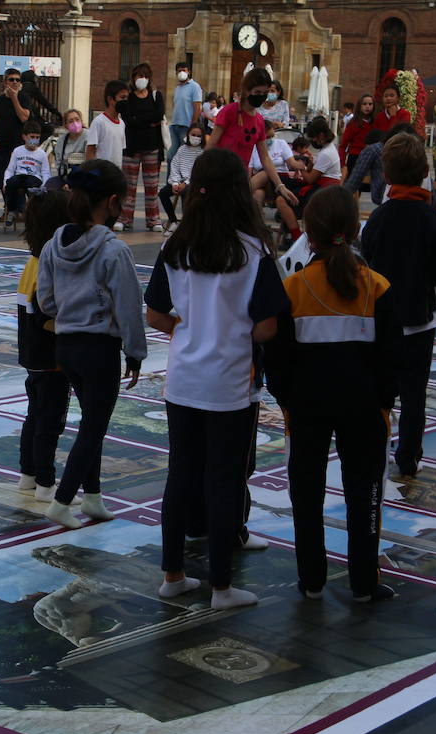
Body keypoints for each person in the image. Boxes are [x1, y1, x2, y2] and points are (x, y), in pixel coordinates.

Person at [146, 147, 286, 609]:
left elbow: (154, 313)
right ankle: (222, 586)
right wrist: (235, 331)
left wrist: (188, 330)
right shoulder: (253, 251)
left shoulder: (175, 245)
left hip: (183, 379)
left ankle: (173, 575)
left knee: (180, 477)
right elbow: (268, 325)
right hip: (230, 384)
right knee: (224, 482)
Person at [267, 186, 399, 603]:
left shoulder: (294, 288)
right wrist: (383, 400)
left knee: (306, 494)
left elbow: (277, 360)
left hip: (306, 410)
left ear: (308, 232)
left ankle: (311, 580)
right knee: (366, 495)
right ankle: (363, 582)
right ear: (356, 229)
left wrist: (288, 401)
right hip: (364, 409)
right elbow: (394, 358)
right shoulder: (377, 287)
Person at [36, 160, 146, 529]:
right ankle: (63, 501)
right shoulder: (113, 251)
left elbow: (45, 301)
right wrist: (135, 350)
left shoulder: (54, 243)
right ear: (113, 202)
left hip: (66, 345)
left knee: (89, 422)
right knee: (95, 426)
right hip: (100, 349)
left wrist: (71, 307)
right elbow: (130, 306)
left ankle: (94, 496)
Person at [361, 131, 436, 478]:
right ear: (425, 171)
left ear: (386, 175)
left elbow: (366, 263)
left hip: (380, 321)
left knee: (379, 391)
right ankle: (409, 455)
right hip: (419, 319)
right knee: (415, 395)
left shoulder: (378, 219)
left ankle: (373, 447)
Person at [16, 187, 73, 503]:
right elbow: (44, 313)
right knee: (50, 421)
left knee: (34, 415)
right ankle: (46, 483)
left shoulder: (33, 261)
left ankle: (28, 475)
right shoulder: (51, 264)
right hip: (50, 356)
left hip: (31, 354)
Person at [207, 67, 298, 212]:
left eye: (264, 93)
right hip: (219, 175)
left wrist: (281, 186)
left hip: (239, 179)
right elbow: (211, 144)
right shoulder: (229, 111)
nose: (261, 96)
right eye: (257, 92)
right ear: (247, 90)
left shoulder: (259, 121)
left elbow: (265, 158)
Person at [116, 62, 165, 232]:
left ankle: (154, 219)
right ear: (133, 78)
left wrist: (139, 119)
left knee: (152, 185)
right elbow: (128, 118)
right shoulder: (128, 97)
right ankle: (125, 218)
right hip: (131, 146)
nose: (141, 79)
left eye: (145, 76)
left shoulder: (156, 96)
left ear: (149, 78)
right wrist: (147, 121)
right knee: (129, 185)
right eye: (138, 75)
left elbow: (159, 114)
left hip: (151, 146)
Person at [2, 120, 50, 229]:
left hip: (34, 178)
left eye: (37, 137)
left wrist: (45, 185)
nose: (35, 140)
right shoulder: (17, 151)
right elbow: (10, 169)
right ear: (24, 136)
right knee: (12, 183)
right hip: (19, 176)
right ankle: (13, 210)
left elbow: (45, 172)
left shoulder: (42, 154)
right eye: (32, 136)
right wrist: (5, 182)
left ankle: (26, 211)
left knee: (29, 184)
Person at [159, 123, 204, 232]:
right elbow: (175, 166)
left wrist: (186, 183)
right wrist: (175, 183)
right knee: (163, 193)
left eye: (199, 136)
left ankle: (186, 223)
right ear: (188, 134)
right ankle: (173, 220)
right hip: (179, 181)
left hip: (194, 183)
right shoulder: (182, 149)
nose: (196, 138)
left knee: (186, 193)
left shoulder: (202, 152)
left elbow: (199, 172)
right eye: (193, 135)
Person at [83, 80, 127, 189]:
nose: (125, 101)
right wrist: (92, 174)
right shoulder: (99, 122)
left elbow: (120, 151)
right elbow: (91, 150)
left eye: (127, 98)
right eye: (122, 98)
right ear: (110, 99)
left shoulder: (121, 123)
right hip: (102, 174)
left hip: (116, 175)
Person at [0, 68, 33, 176]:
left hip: (20, 145)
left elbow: (23, 117)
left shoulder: (24, 97)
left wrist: (14, 97)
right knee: (3, 177)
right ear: (5, 82)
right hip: (3, 145)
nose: (15, 82)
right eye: (11, 79)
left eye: (17, 80)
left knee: (19, 176)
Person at [47, 108, 87, 187]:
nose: (75, 123)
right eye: (71, 121)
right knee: (50, 185)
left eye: (77, 119)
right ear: (66, 126)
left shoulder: (89, 136)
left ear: (81, 121)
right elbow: (59, 162)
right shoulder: (62, 141)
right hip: (66, 176)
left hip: (84, 176)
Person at [169, 60, 202, 152]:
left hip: (186, 126)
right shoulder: (177, 88)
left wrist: (193, 126)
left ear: (189, 72)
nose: (181, 73)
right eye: (179, 71)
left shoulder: (194, 86)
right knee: (171, 156)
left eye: (184, 70)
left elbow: (197, 107)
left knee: (184, 153)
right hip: (175, 125)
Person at [339, 93, 375, 176]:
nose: (367, 106)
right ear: (360, 106)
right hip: (355, 157)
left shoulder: (375, 122)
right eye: (364, 104)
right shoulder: (353, 124)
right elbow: (343, 144)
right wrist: (342, 163)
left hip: (371, 158)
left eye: (370, 104)